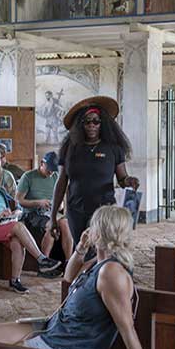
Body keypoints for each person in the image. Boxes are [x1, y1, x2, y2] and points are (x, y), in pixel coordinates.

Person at [0, 205, 148, 349]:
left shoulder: (111, 272)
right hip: (55, 329)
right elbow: (69, 276)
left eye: (93, 225)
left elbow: (127, 329)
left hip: (67, 347)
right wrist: (81, 248)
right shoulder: (97, 262)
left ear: (101, 231)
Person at [50, 96, 138, 248]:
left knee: (98, 248)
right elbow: (62, 182)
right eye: (87, 122)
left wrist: (129, 181)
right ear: (80, 125)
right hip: (75, 209)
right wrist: (52, 217)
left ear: (102, 124)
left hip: (103, 209)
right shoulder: (70, 148)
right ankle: (79, 272)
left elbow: (122, 178)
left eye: (96, 121)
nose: (92, 125)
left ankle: (98, 272)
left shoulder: (113, 148)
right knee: (80, 248)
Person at [0, 162, 61, 292]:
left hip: (3, 224)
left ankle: (15, 280)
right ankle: (42, 259)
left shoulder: (0, 189)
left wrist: (15, 212)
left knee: (17, 242)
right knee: (18, 226)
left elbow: (17, 205)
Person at [16, 151, 73, 262]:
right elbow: (19, 200)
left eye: (53, 169)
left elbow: (62, 199)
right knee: (51, 226)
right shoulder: (28, 177)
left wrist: (59, 205)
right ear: (42, 163)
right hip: (32, 213)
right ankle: (44, 263)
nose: (51, 172)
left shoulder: (56, 176)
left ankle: (68, 262)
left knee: (66, 224)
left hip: (51, 212)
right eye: (49, 168)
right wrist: (38, 202)